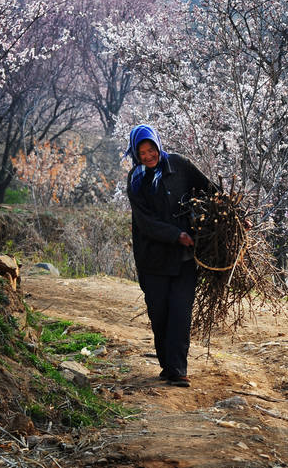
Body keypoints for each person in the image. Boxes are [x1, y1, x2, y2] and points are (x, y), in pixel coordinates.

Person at [125, 124, 212, 388]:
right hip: (152, 259)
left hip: (185, 257)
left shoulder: (179, 166)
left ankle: (178, 368)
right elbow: (145, 222)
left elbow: (210, 189)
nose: (149, 156)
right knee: (160, 314)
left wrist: (235, 217)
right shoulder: (136, 181)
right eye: (142, 153)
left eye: (152, 150)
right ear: (135, 154)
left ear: (159, 146)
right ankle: (167, 364)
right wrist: (176, 235)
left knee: (181, 312)